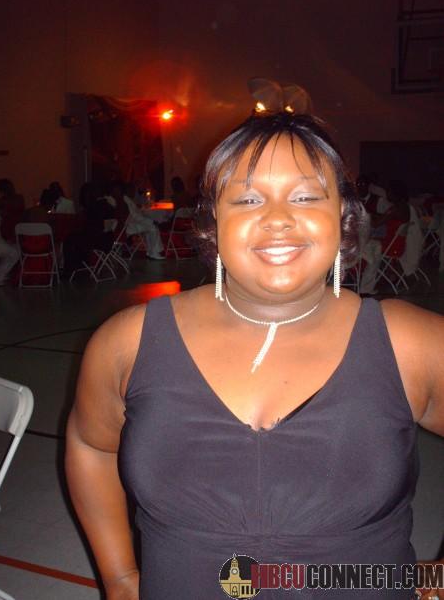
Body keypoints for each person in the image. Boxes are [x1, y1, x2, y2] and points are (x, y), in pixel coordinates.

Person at [65, 111, 444, 599]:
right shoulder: (128, 342)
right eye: (247, 199)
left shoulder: (410, 343)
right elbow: (91, 445)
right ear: (212, 222)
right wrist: (119, 577)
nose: (278, 218)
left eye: (305, 196)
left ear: (343, 217)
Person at [359, 180, 411, 295]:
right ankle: (364, 280)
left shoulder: (395, 209)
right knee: (367, 241)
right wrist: (373, 214)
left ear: (396, 193)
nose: (387, 194)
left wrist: (364, 213)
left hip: (389, 245)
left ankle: (364, 286)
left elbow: (376, 223)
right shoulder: (403, 206)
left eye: (389, 192)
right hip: (396, 242)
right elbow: (384, 217)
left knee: (365, 245)